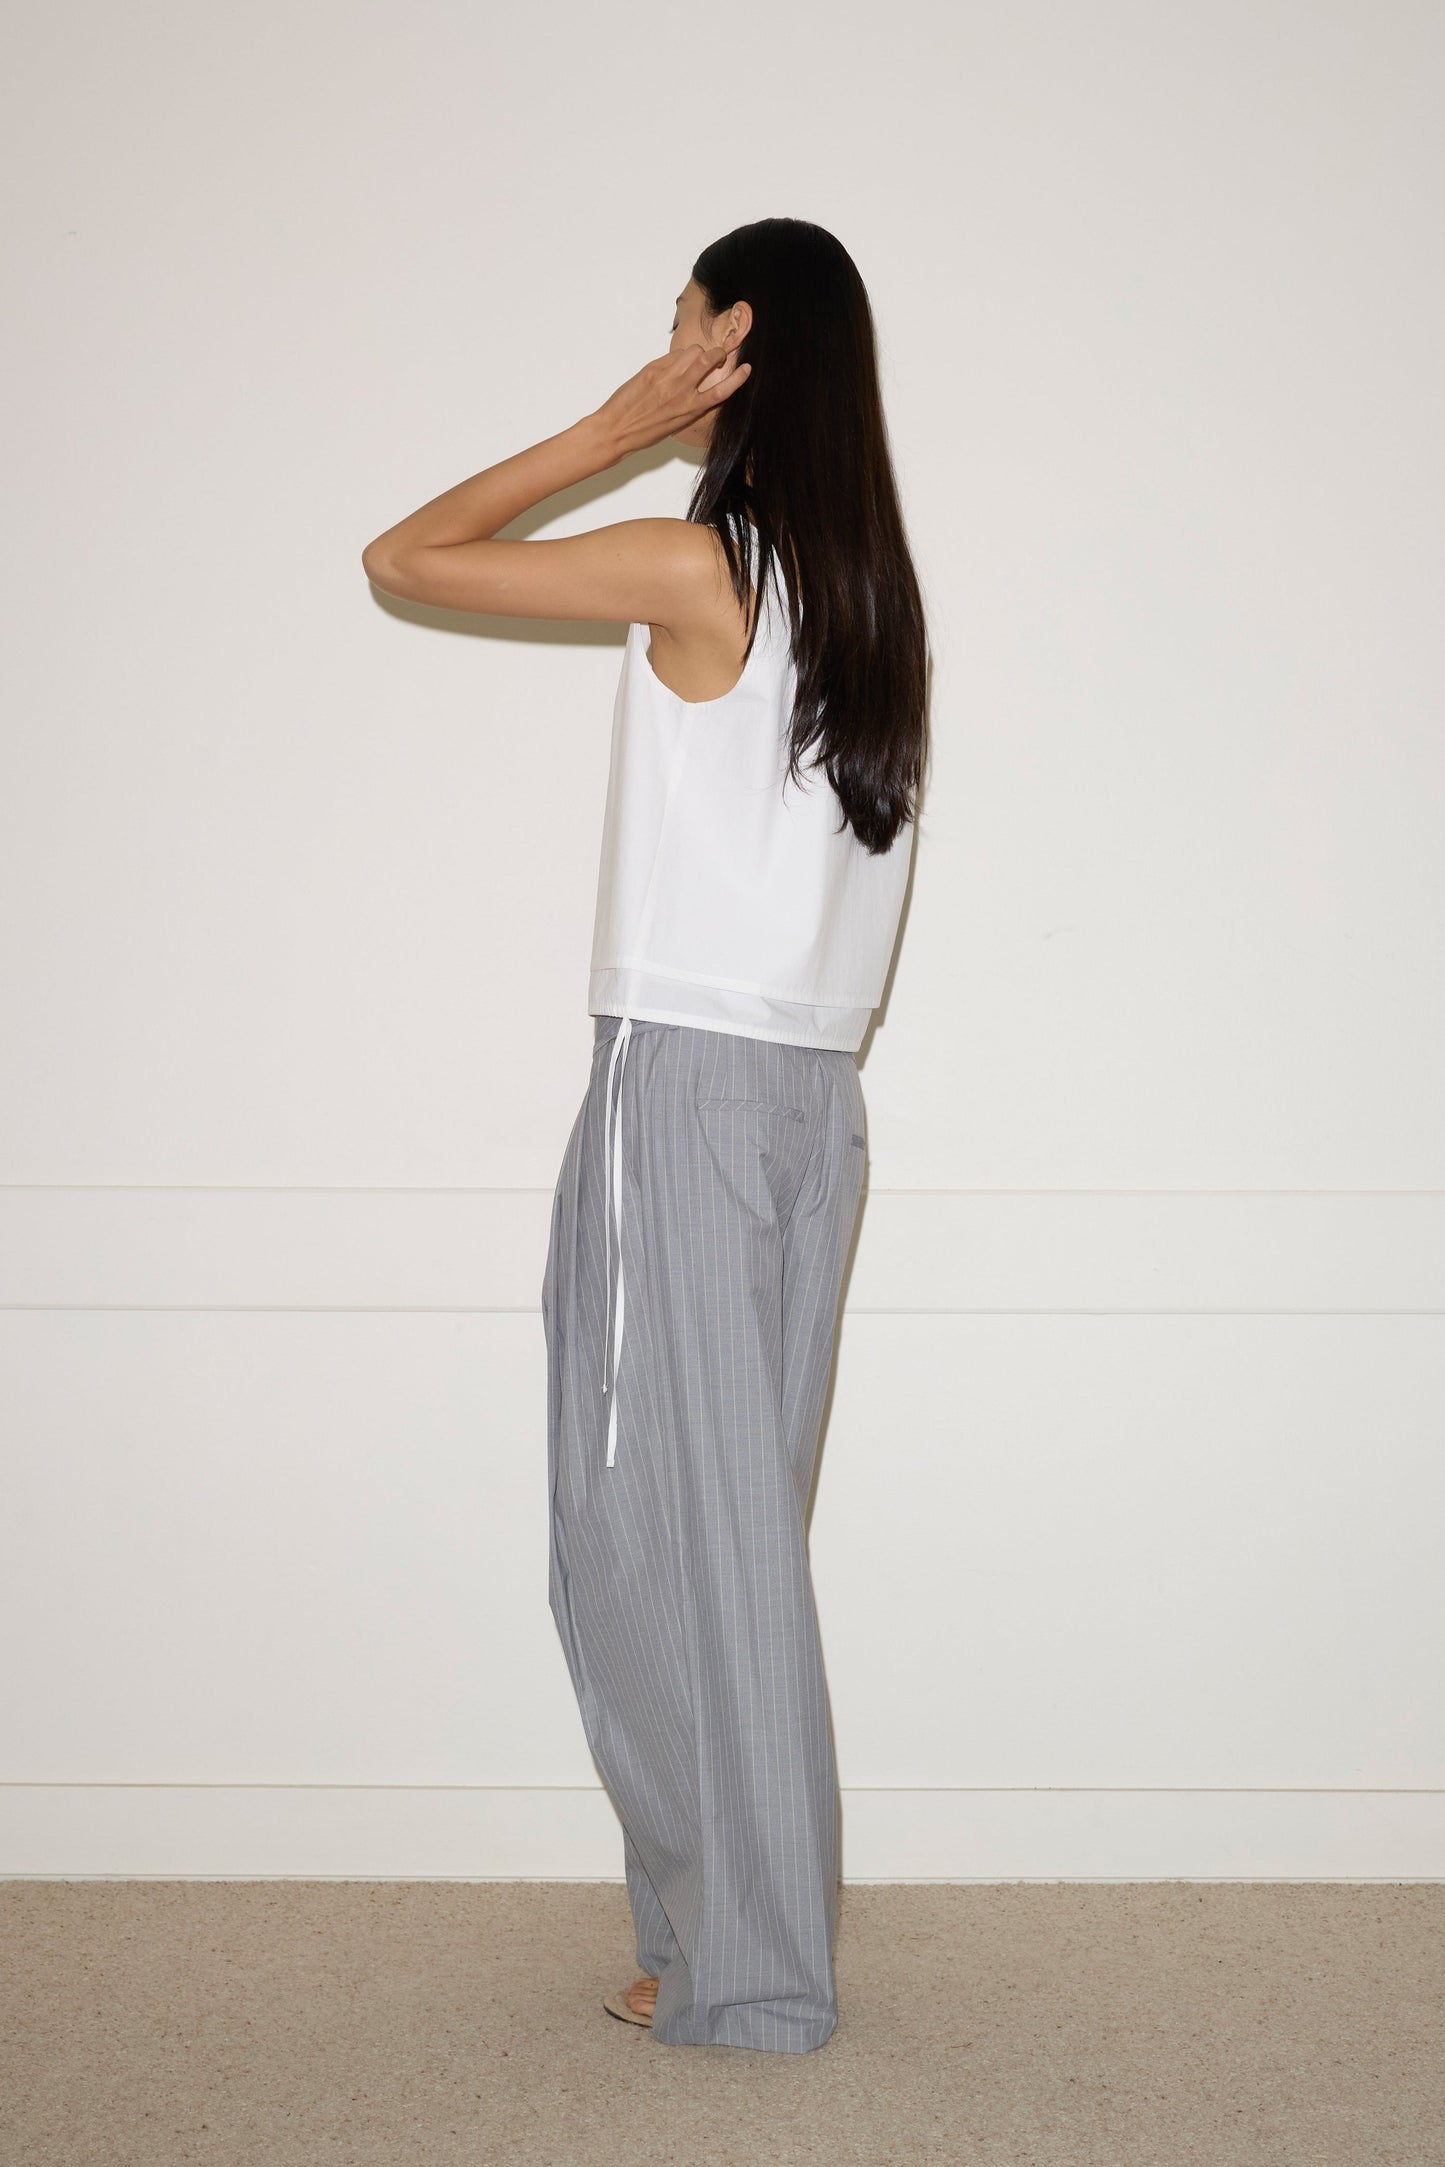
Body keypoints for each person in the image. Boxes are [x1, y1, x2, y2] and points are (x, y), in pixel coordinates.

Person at [362, 216, 929, 2053]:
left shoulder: (705, 562)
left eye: (681, 326)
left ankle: (740, 1974)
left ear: (737, 348)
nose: (666, 349)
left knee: (632, 1534)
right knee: (733, 1535)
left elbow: (406, 558)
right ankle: (729, 1950)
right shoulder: (868, 593)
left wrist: (611, 428)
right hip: (808, 1109)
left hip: (681, 1091)